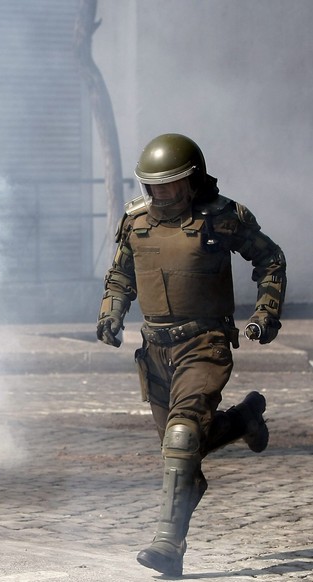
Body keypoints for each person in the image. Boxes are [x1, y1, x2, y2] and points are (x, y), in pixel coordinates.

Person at [96, 133, 286, 576]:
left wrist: (265, 313)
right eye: (154, 186)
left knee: (181, 440)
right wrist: (111, 312)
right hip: (155, 350)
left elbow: (270, 259)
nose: (161, 194)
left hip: (205, 344)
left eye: (172, 185)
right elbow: (121, 273)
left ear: (193, 180)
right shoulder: (136, 220)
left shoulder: (222, 218)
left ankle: (167, 544)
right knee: (180, 451)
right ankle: (242, 421)